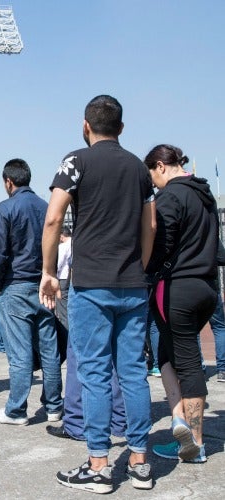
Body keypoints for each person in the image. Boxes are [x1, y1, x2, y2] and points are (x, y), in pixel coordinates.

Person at [40, 95, 156, 493]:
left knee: (92, 373)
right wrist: (138, 265)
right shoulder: (139, 168)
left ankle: (100, 465)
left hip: (92, 284)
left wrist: (49, 271)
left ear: (85, 125)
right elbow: (151, 226)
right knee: (133, 373)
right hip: (132, 285)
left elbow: (54, 216)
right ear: (121, 128)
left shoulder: (76, 161)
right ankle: (140, 462)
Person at [144, 144, 219, 464]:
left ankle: (195, 444)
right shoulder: (205, 194)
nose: (153, 184)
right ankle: (179, 420)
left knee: (187, 362)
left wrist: (147, 267)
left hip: (176, 288)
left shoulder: (171, 197)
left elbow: (160, 243)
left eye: (152, 176)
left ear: (160, 166)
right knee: (166, 354)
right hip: (207, 287)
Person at [0, 159, 62, 425]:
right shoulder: (45, 207)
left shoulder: (5, 208)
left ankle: (17, 409)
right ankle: (54, 405)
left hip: (15, 284)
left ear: (9, 181)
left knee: (20, 354)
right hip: (43, 284)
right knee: (49, 349)